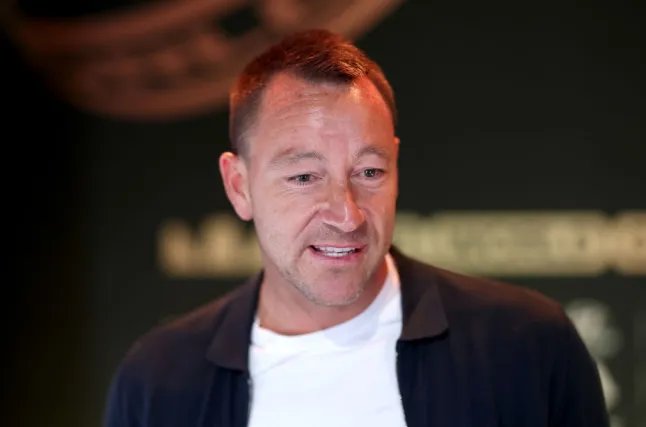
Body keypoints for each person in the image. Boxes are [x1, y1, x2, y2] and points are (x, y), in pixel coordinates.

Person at [104, 29, 609, 427]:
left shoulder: (525, 346)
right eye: (304, 177)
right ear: (239, 186)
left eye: (369, 172)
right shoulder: (159, 382)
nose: (346, 215)